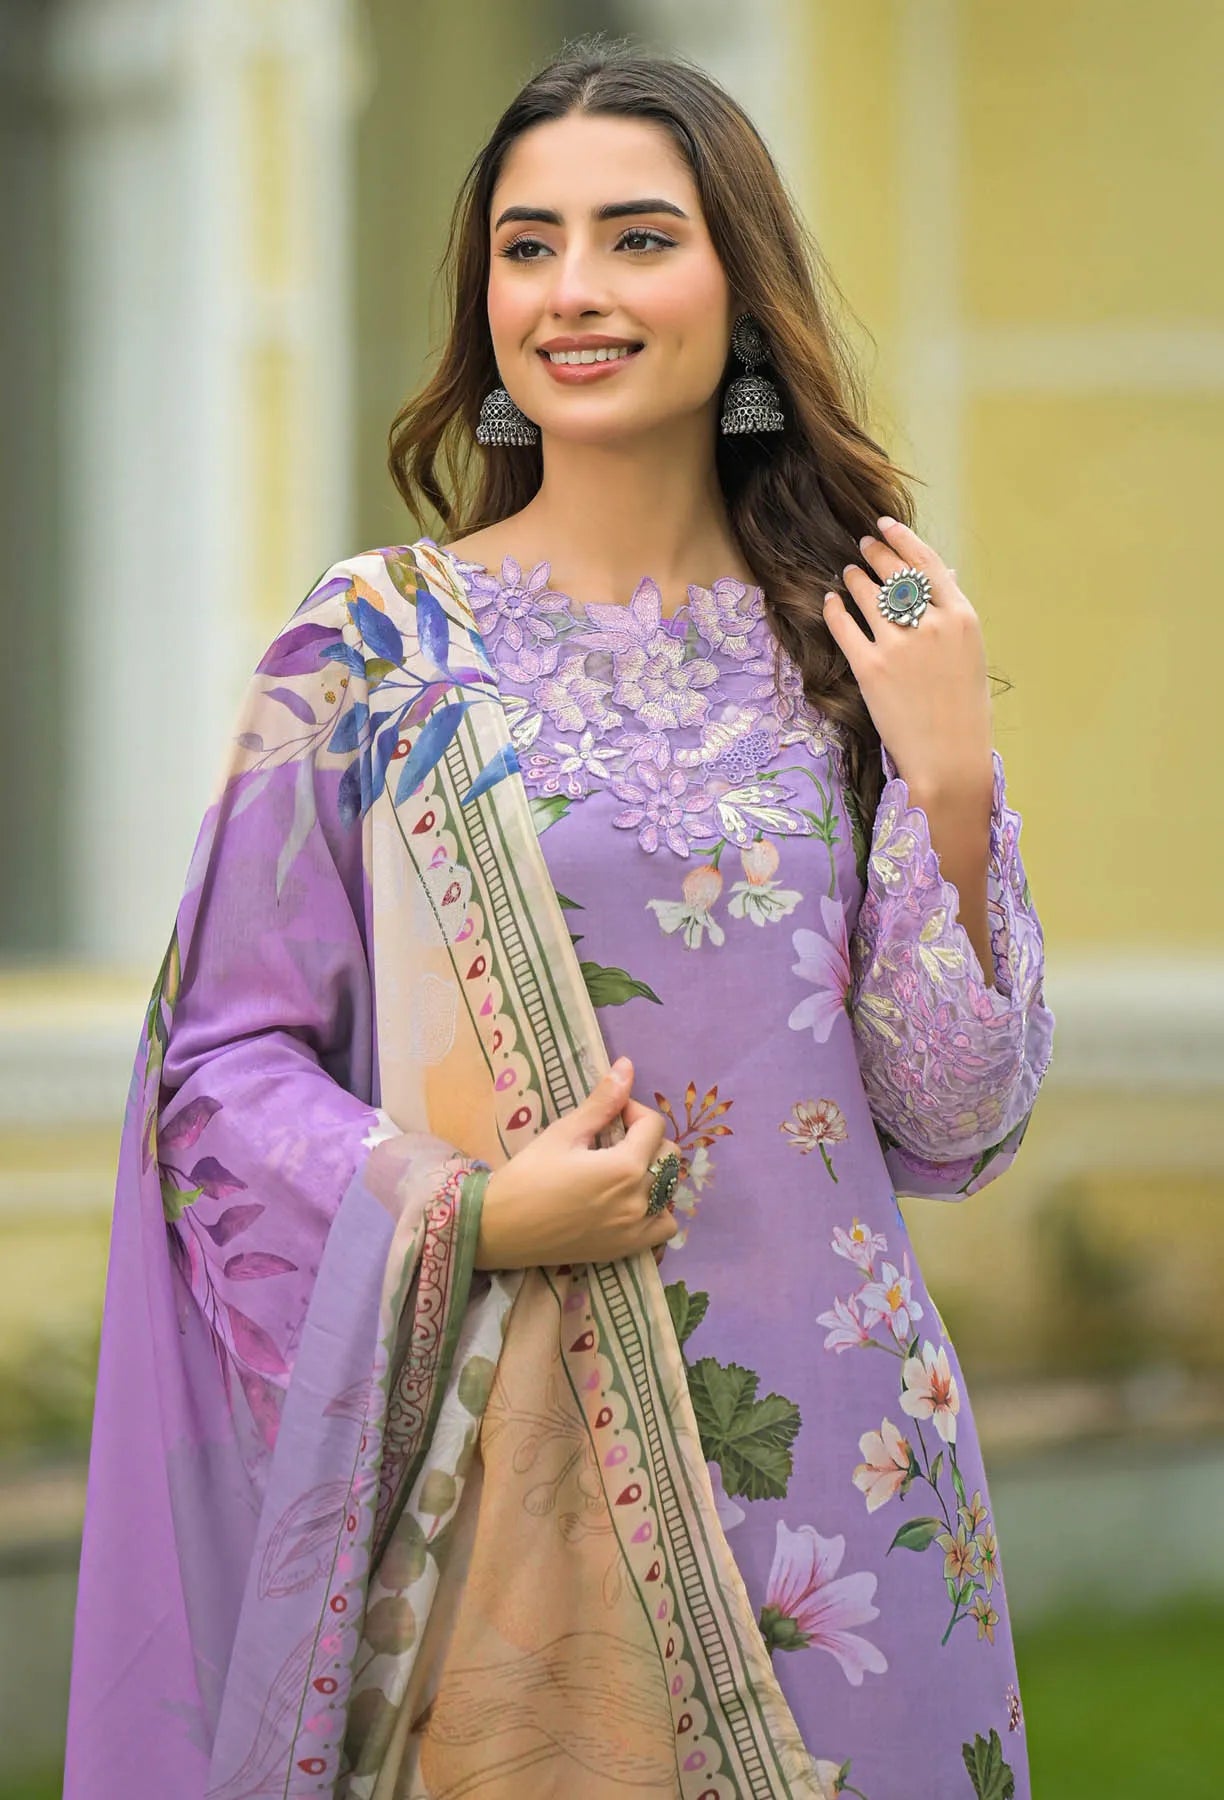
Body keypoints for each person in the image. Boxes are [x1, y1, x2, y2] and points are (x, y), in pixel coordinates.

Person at [65, 34, 1054, 1800]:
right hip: (513, 1476)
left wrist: (954, 784)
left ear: (742, 293)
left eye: (638, 238)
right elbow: (213, 1076)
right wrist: (469, 1214)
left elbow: (951, 1123)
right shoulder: (371, 653)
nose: (573, 290)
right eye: (528, 247)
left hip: (858, 1475)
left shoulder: (858, 650)